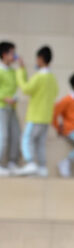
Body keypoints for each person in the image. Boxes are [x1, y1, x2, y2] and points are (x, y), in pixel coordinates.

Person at [15, 46, 57, 177]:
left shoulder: (39, 77)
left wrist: (20, 72)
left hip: (35, 115)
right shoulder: (52, 78)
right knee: (40, 143)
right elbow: (55, 92)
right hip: (46, 116)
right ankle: (42, 167)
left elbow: (26, 88)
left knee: (26, 139)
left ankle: (30, 162)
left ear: (40, 59)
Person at [0, 41, 20, 176]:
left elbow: (22, 83)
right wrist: (3, 97)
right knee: (3, 135)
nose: (14, 56)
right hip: (1, 107)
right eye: (12, 53)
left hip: (12, 107)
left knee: (16, 134)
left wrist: (22, 67)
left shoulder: (13, 71)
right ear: (4, 54)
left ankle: (12, 162)